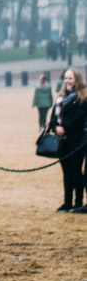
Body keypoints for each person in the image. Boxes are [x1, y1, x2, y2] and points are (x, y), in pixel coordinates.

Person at [48, 68, 87, 212]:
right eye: (66, 78)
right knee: (66, 172)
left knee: (76, 171)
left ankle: (78, 202)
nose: (68, 81)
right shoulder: (60, 97)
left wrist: (64, 127)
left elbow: (79, 118)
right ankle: (67, 202)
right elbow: (53, 117)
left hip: (76, 140)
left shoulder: (82, 97)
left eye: (71, 78)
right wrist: (55, 127)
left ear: (77, 80)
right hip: (62, 140)